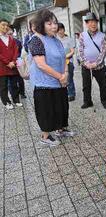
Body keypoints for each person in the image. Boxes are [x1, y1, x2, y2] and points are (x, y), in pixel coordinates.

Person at [28, 9, 74, 146]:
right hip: (44, 84)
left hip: (59, 81)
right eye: (49, 24)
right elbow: (41, 65)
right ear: (41, 25)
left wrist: (65, 73)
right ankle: (45, 136)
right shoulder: (36, 40)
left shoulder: (56, 39)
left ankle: (61, 129)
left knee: (61, 106)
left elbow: (63, 57)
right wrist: (61, 76)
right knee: (46, 109)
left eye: (55, 23)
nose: (54, 26)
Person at [79, 12, 106, 110]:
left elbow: (103, 51)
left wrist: (96, 63)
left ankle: (104, 101)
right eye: (90, 22)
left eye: (95, 22)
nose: (93, 24)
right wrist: (85, 62)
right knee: (86, 86)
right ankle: (87, 102)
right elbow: (80, 50)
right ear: (87, 24)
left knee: (103, 85)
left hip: (99, 67)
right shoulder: (82, 35)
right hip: (86, 66)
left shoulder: (102, 36)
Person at [0, 18, 22, 110]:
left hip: (12, 65)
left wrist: (13, 61)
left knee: (14, 84)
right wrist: (7, 62)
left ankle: (16, 100)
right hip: (2, 66)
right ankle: (6, 102)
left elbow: (15, 51)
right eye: (3, 25)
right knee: (3, 86)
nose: (5, 27)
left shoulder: (11, 39)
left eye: (7, 25)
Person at [57, 22, 76, 102]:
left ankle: (71, 94)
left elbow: (72, 51)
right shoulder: (56, 40)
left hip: (69, 62)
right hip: (59, 63)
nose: (60, 31)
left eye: (61, 29)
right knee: (61, 78)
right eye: (58, 30)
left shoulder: (69, 39)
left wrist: (65, 56)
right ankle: (64, 93)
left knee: (69, 78)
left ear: (64, 30)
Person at [7, 25, 27, 99]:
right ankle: (13, 94)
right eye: (8, 33)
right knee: (10, 80)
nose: (10, 34)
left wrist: (21, 61)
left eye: (11, 33)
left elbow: (21, 52)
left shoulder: (18, 42)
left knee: (20, 78)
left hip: (18, 61)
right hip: (9, 63)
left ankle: (22, 93)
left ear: (13, 32)